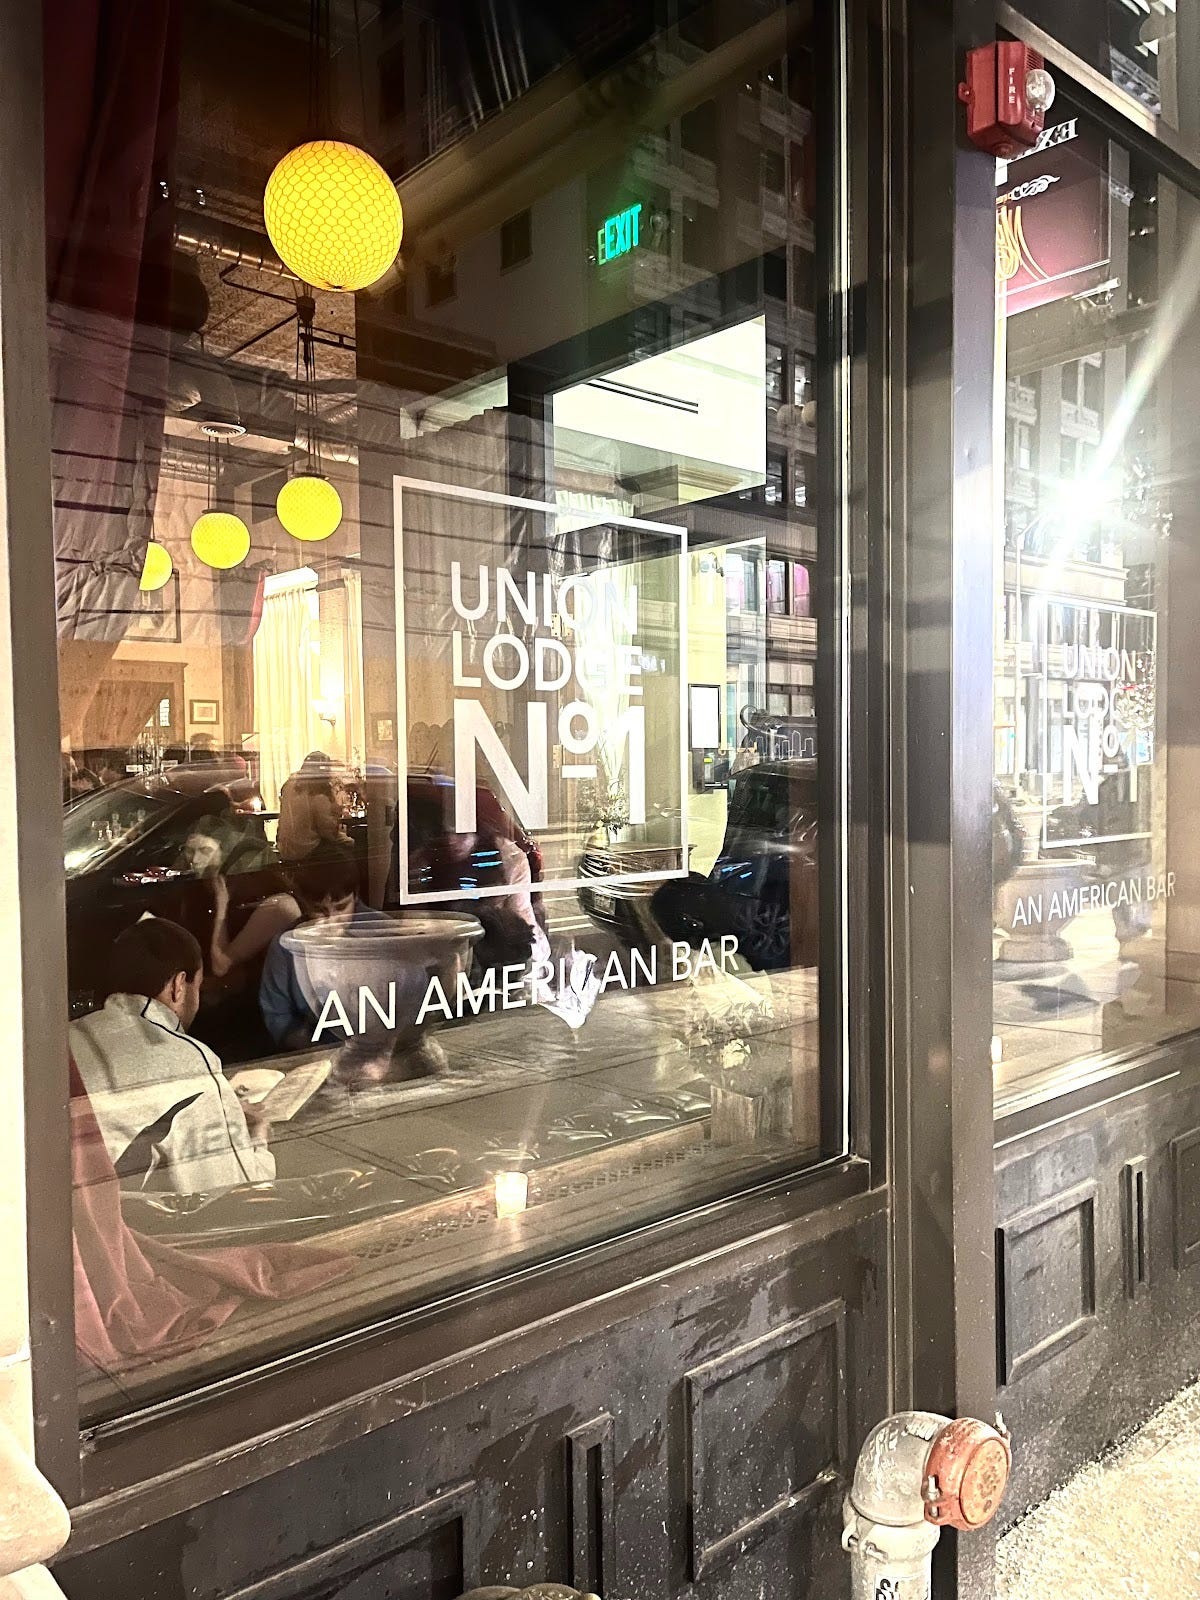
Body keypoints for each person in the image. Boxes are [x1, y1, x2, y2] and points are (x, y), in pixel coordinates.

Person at [70, 918, 275, 1193]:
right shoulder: (189, 1060)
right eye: (197, 987)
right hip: (118, 1212)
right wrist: (258, 1136)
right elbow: (239, 1187)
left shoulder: (69, 1034)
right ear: (179, 985)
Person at [259, 845, 393, 1049]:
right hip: (316, 1050)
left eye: (341, 907)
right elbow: (278, 1016)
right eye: (319, 910)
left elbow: (409, 1002)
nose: (331, 921)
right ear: (304, 902)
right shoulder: (285, 946)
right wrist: (316, 1050)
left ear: (356, 895)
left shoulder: (384, 933)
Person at [276, 751, 351, 863]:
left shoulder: (289, 785)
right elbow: (328, 832)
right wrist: (336, 813)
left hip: (285, 849)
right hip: (308, 850)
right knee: (350, 850)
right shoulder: (318, 792)